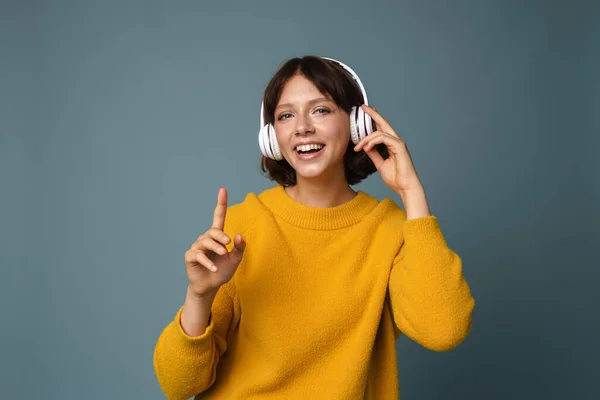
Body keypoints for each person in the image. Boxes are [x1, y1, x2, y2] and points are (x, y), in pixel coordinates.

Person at [153, 55, 475, 400]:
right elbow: (178, 386)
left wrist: (412, 194)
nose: (302, 127)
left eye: (320, 110)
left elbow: (444, 329)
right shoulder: (243, 225)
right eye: (286, 116)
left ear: (356, 124)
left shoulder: (392, 229)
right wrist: (199, 296)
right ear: (272, 137)